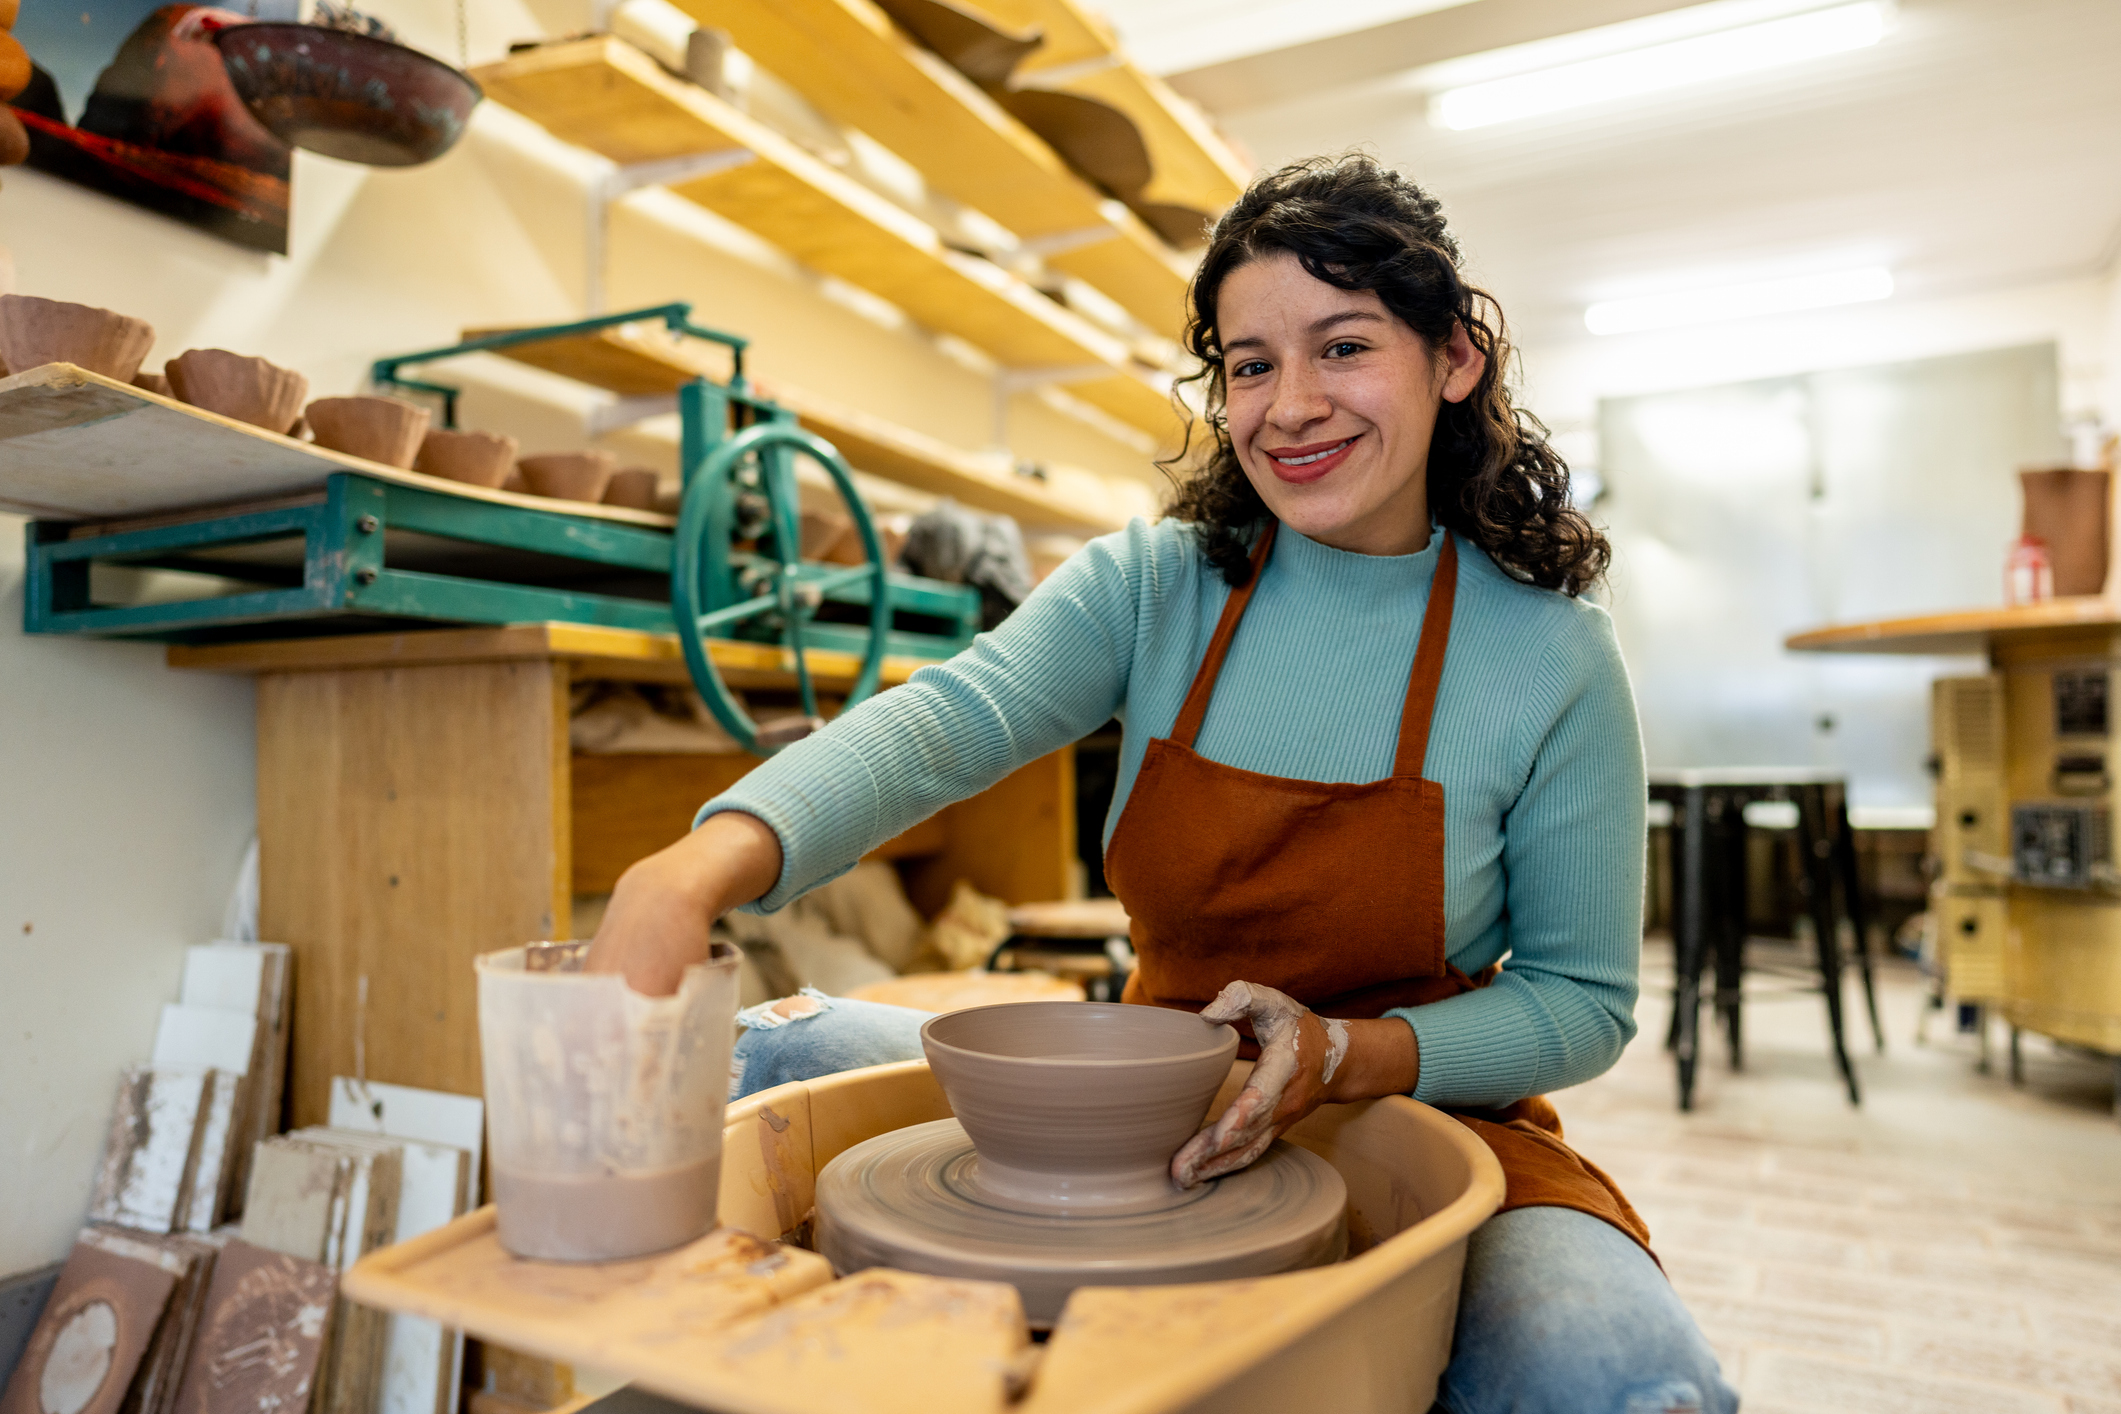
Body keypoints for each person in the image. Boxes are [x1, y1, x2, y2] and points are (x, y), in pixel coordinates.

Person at [588, 153, 1736, 1414]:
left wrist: (1347, 1055)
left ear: (1453, 359)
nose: (1291, 405)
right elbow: (943, 727)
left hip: (1439, 1116)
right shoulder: (1161, 585)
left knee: (1621, 1380)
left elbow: (1583, 1002)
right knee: (771, 1058)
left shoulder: (1551, 655)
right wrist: (696, 866)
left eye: (1343, 347)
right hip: (1156, 1098)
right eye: (1251, 364)